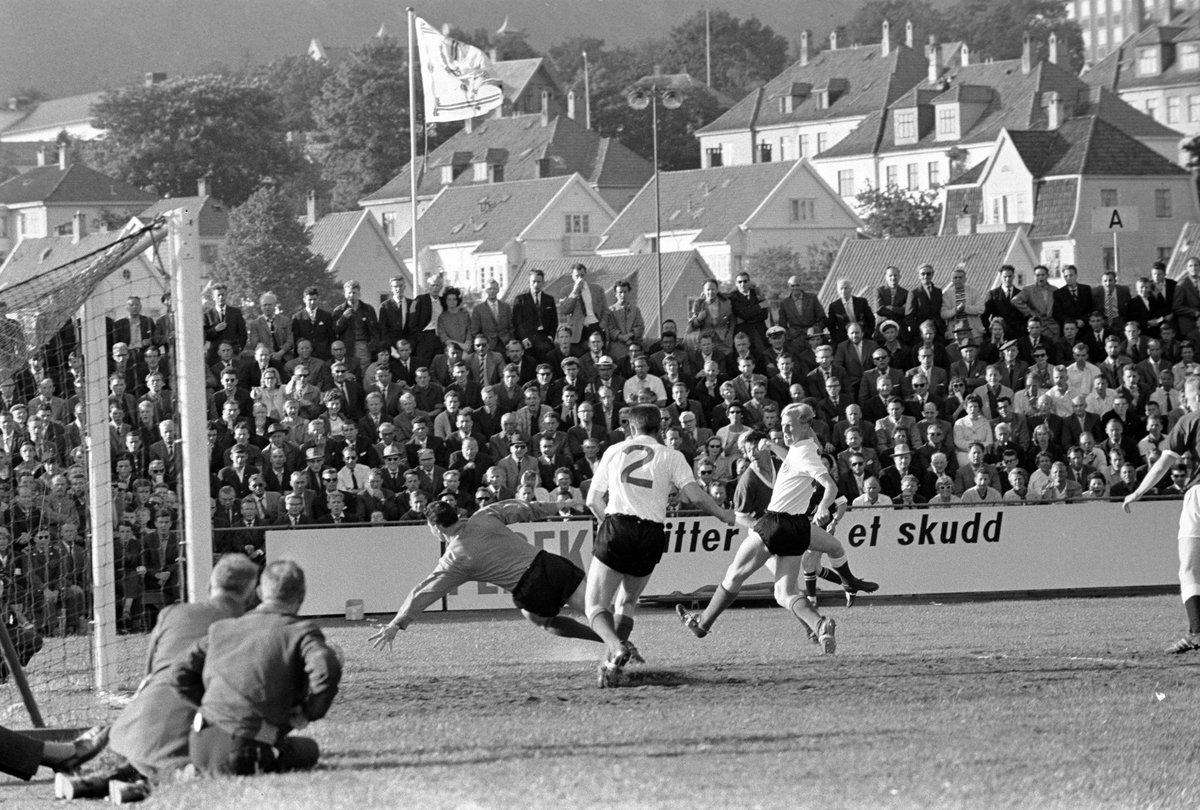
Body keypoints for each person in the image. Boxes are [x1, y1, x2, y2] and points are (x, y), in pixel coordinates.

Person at [675, 406, 878, 652]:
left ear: (805, 426)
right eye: (782, 425)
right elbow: (795, 457)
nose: (784, 430)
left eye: (789, 425)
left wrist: (825, 505)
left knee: (734, 576)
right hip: (798, 528)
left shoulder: (803, 456)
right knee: (784, 593)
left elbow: (830, 486)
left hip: (775, 523)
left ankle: (702, 625)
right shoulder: (806, 446)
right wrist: (773, 445)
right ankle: (819, 625)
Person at [57, 554, 261, 799]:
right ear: (251, 595)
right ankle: (142, 787)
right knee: (290, 750)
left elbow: (148, 676)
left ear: (210, 586)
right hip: (191, 737)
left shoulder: (172, 613)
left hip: (132, 729)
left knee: (156, 752)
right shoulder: (247, 631)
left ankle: (98, 782)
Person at [585, 404, 734, 687]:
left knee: (595, 605)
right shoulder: (671, 455)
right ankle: (611, 665)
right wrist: (722, 513)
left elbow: (593, 501)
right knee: (627, 601)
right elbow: (694, 496)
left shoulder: (614, 451)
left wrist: (611, 527)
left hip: (618, 525)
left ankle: (616, 649)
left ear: (630, 427)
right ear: (660, 429)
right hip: (652, 532)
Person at [172, 560, 342, 776]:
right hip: (244, 749)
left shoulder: (222, 628)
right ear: (302, 596)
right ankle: (251, 758)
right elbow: (327, 667)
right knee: (309, 750)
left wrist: (208, 704)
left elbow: (179, 671)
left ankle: (204, 767)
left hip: (200, 742)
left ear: (260, 592)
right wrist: (309, 711)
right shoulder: (300, 631)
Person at [368, 499, 602, 650]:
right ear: (457, 515)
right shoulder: (485, 515)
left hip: (530, 588)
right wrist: (563, 504)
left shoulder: (454, 559)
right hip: (551, 564)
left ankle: (608, 642)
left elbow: (425, 592)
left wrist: (396, 624)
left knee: (544, 621)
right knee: (595, 611)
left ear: (436, 528)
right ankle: (619, 642)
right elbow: (527, 508)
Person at [1124, 374, 1200, 653]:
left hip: (1199, 494)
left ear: (1192, 397)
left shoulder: (1189, 421)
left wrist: (1138, 491)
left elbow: (1162, 464)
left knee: (1189, 568)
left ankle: (1196, 633)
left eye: (1188, 397)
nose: (1185, 401)